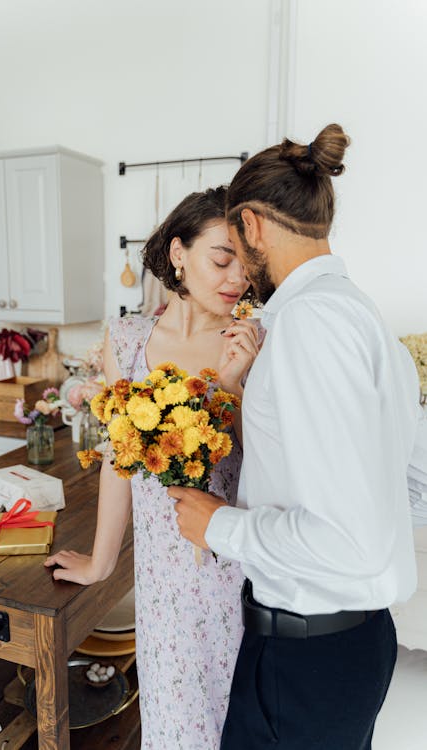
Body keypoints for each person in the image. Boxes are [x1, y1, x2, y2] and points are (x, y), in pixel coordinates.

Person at [169, 124, 422, 749]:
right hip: (342, 645)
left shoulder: (310, 326)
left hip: (307, 656)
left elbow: (350, 542)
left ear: (252, 225)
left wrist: (218, 526)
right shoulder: (359, 317)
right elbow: (413, 484)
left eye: (234, 243)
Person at [45, 186, 261, 749]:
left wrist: (235, 387)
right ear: (178, 254)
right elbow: (121, 461)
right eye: (221, 257)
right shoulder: (129, 340)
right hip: (162, 578)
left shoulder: (251, 344)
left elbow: (266, 459)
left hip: (232, 568)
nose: (236, 275)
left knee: (229, 721)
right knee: (170, 722)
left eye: (245, 260)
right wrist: (100, 562)